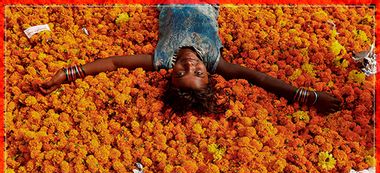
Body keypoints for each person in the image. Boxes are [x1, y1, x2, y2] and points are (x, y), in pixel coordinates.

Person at [40, 4, 341, 115]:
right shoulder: (215, 61)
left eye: (182, 71)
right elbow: (258, 78)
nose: (190, 65)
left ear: (170, 74)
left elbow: (115, 63)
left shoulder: (160, 59)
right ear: (209, 75)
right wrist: (309, 97)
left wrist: (68, 74)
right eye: (197, 71)